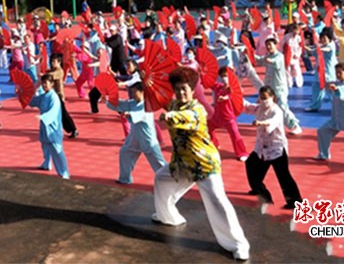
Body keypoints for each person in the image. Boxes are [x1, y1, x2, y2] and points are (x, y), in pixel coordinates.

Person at [153, 66, 250, 261]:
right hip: (182, 164)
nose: (181, 92)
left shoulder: (197, 109)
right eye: (178, 89)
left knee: (218, 202)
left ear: (192, 90)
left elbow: (186, 118)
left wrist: (169, 118)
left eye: (185, 89)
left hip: (204, 164)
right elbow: (165, 104)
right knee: (161, 179)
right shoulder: (173, 105)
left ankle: (238, 244)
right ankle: (168, 216)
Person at [243, 86, 303, 210]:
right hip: (261, 147)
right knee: (251, 164)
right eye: (261, 98)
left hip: (276, 149)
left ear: (273, 97)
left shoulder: (277, 111)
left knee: (283, 176)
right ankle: (258, 190)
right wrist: (234, 96)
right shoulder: (259, 108)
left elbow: (272, 121)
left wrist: (260, 123)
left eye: (265, 98)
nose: (263, 100)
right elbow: (247, 107)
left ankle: (295, 202)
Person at [105, 82, 166, 184]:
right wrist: (110, 98)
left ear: (142, 92)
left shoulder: (147, 105)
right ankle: (125, 179)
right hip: (134, 138)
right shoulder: (132, 103)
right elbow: (119, 104)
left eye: (134, 92)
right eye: (131, 92)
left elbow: (141, 115)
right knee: (124, 153)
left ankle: (169, 181)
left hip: (148, 140)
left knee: (159, 163)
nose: (132, 94)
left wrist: (129, 113)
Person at [254, 37, 303, 135]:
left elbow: (274, 62)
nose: (268, 47)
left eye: (270, 44)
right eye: (267, 45)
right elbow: (259, 60)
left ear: (275, 45)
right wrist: (249, 54)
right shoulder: (267, 56)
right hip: (269, 88)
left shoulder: (279, 56)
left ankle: (295, 126)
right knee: (267, 107)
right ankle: (270, 125)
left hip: (280, 88)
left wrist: (267, 60)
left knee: (282, 107)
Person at [29, 74, 70, 179]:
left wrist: (43, 117)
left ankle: (64, 172)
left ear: (51, 84)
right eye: (43, 83)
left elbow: (53, 111)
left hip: (53, 128)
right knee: (45, 146)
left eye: (45, 83)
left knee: (57, 150)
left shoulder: (54, 98)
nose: (44, 85)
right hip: (44, 126)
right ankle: (46, 163)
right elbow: (33, 101)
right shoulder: (44, 96)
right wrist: (21, 93)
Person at [208, 67, 250, 161]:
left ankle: (242, 152)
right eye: (222, 76)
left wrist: (225, 98)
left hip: (229, 118)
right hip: (217, 116)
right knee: (207, 127)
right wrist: (203, 73)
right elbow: (209, 83)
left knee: (235, 134)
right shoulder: (218, 87)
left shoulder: (234, 89)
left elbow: (232, 95)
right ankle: (214, 144)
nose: (224, 78)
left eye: (226, 76)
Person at [47, 53, 80, 138]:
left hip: (58, 96)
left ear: (59, 62)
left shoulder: (60, 71)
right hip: (52, 96)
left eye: (54, 61)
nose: (52, 63)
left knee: (63, 114)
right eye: (51, 61)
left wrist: (45, 75)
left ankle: (73, 129)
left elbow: (52, 76)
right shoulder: (52, 70)